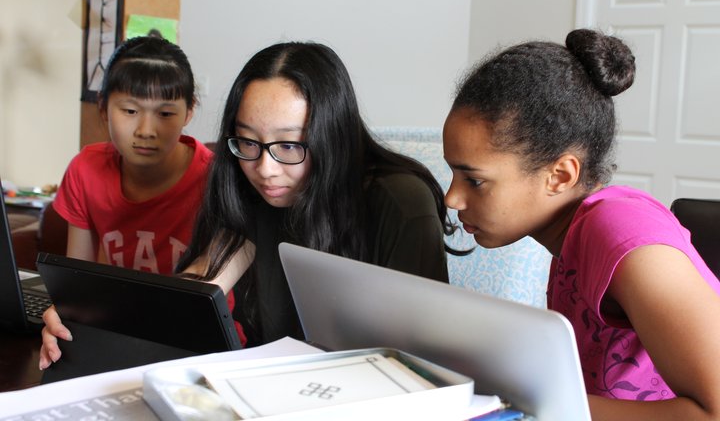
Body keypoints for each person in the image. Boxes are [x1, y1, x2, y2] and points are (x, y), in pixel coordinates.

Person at [442, 28, 720, 420]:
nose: (451, 199)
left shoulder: (621, 233)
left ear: (560, 175)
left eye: (474, 180)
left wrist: (531, 402)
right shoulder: (570, 240)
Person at [176, 41, 454, 347]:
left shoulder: (401, 202)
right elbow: (191, 300)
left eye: (289, 145)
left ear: (332, 137)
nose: (265, 168)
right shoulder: (249, 191)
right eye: (247, 141)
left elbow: (420, 355)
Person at [39, 36, 213, 368]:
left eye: (165, 113)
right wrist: (64, 319)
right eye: (130, 110)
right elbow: (79, 284)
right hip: (115, 337)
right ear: (103, 107)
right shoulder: (85, 170)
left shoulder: (214, 181)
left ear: (190, 110)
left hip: (197, 346)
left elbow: (200, 305)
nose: (147, 130)